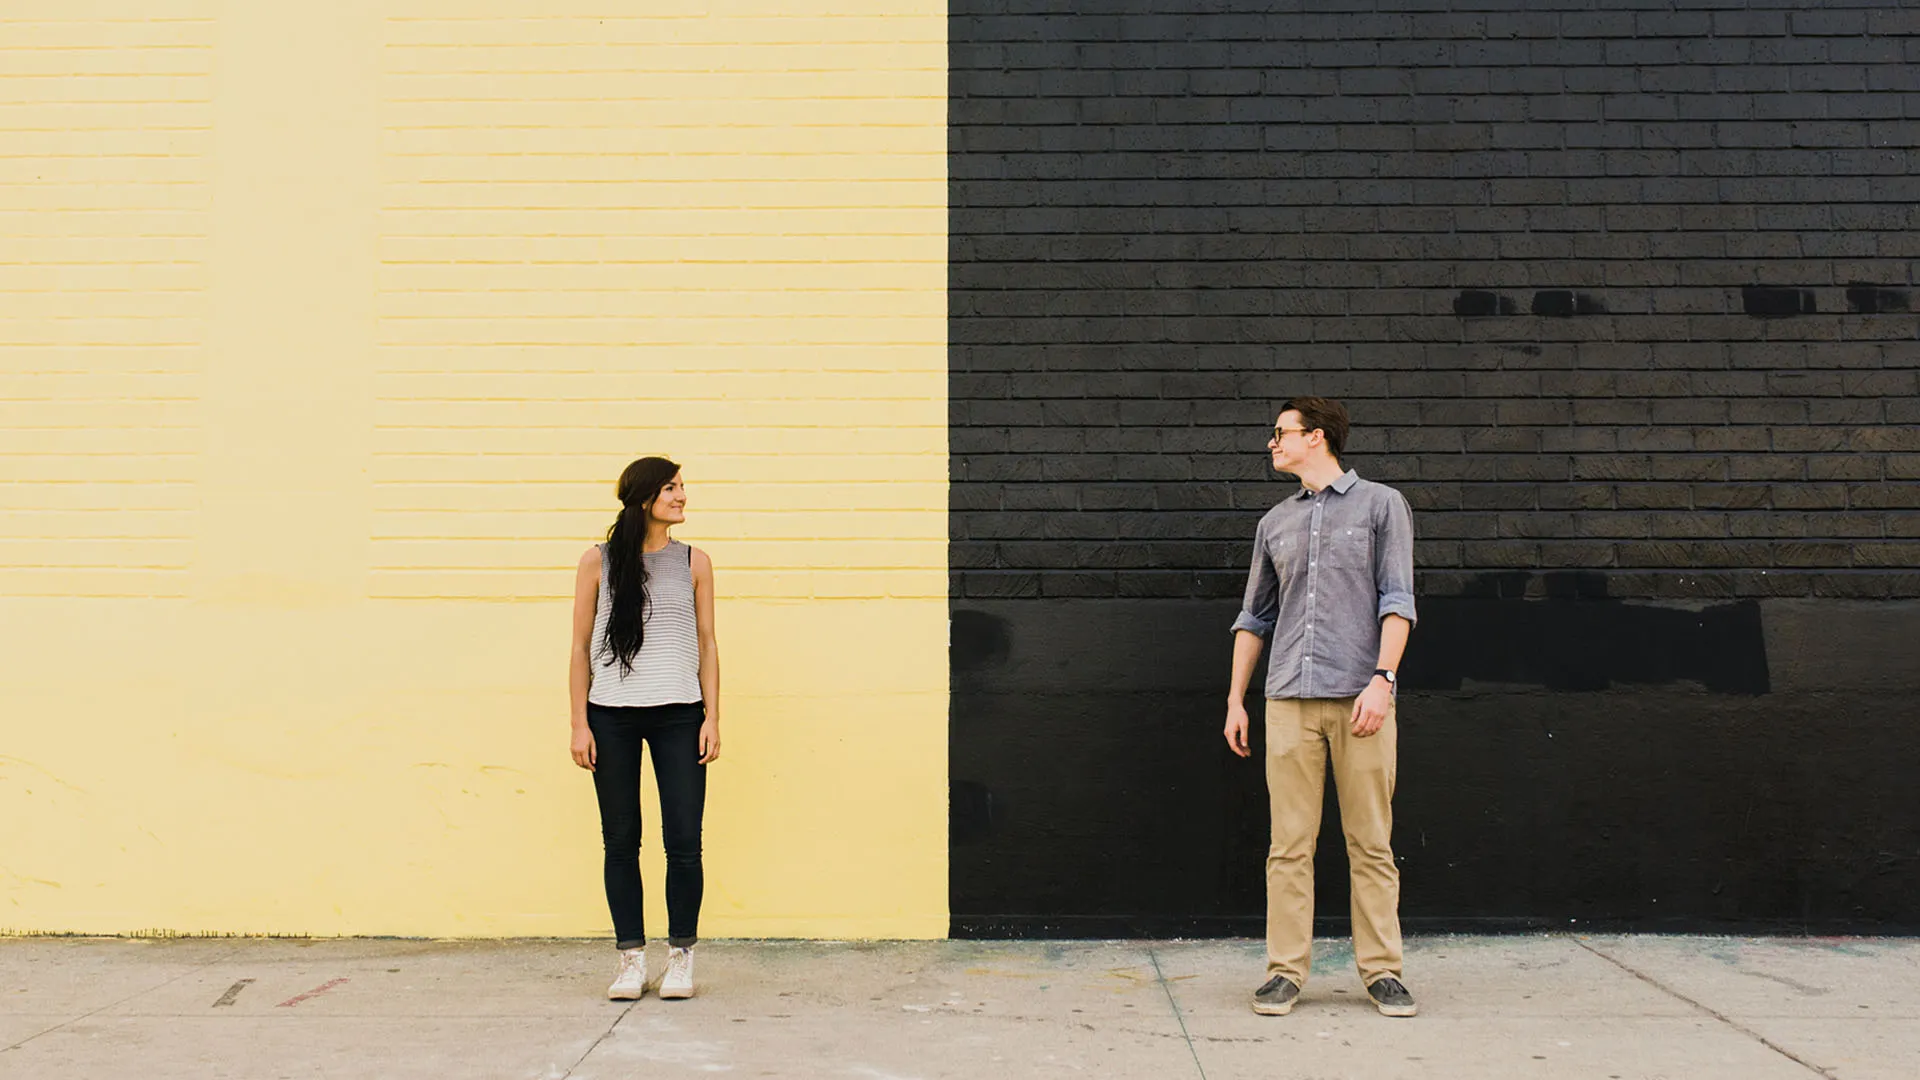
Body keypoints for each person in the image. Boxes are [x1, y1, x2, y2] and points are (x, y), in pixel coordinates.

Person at [1223, 397, 1419, 1018]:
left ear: (1317, 437)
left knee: (1371, 843)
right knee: (1288, 846)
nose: (1272, 444)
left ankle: (1383, 971)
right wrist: (1236, 699)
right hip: (1286, 701)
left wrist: (1384, 678)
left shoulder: (1381, 505)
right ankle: (1284, 973)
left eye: (1281, 434)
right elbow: (1254, 617)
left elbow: (1398, 598)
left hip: (1362, 699)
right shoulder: (1273, 523)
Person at [569, 456, 721, 1001]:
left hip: (681, 715)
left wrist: (713, 717)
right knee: (620, 841)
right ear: (644, 499)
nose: (682, 496)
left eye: (682, 487)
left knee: (684, 841)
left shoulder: (694, 562)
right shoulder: (598, 561)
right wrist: (579, 723)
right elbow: (581, 647)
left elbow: (706, 643)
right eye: (671, 488)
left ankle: (681, 956)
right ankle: (630, 959)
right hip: (610, 715)